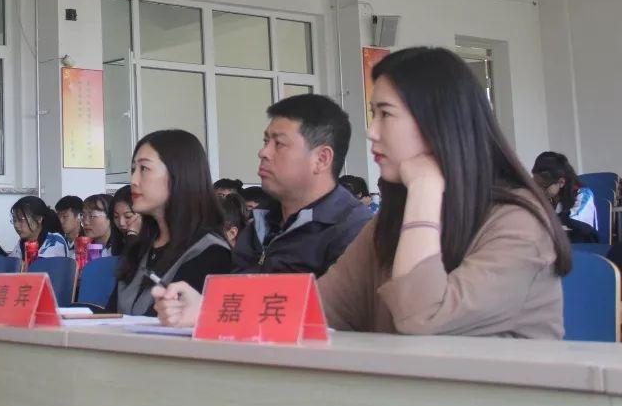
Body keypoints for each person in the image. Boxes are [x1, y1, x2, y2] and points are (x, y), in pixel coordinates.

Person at [157, 47, 571, 339]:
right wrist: (206, 309)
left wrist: (426, 186)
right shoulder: (389, 224)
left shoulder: (518, 224)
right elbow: (319, 305)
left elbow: (423, 318)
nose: (372, 132)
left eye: (385, 114)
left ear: (438, 124)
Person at [232, 94, 372, 275]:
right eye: (266, 141)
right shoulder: (260, 222)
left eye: (279, 143)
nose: (263, 152)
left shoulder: (353, 230)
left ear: (321, 159)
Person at [110, 129, 232, 316]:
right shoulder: (139, 249)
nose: (133, 180)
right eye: (133, 170)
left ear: (179, 174)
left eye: (144, 169)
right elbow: (110, 315)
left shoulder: (210, 253)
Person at [532, 151, 599, 242]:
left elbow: (574, 220)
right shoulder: (549, 196)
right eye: (535, 184)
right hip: (554, 243)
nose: (539, 190)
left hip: (581, 244)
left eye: (543, 186)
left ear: (561, 182)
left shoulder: (584, 194)